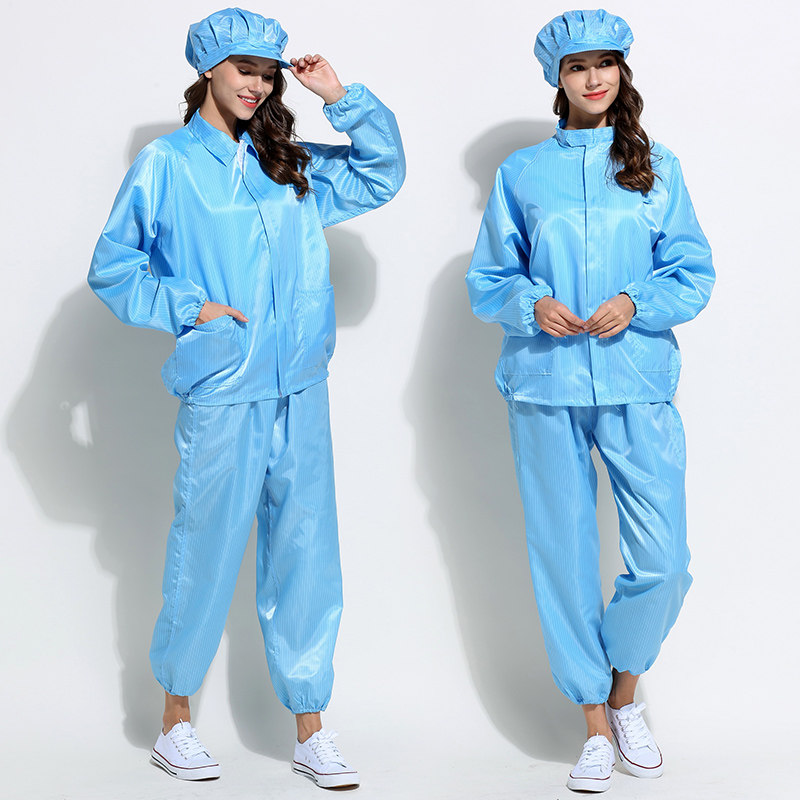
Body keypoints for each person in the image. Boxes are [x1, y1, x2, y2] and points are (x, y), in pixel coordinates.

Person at [88, 7, 404, 788]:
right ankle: (175, 723)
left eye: (268, 74)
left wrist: (341, 98)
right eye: (244, 71)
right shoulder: (166, 165)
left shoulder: (289, 162)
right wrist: (188, 308)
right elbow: (114, 266)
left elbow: (381, 173)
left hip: (301, 387)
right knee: (205, 549)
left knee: (307, 555)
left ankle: (311, 731)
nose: (257, 85)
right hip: (223, 387)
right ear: (208, 71)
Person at [466, 8, 713, 794]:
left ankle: (623, 690)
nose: (594, 77)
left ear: (622, 71)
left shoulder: (658, 166)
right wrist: (529, 303)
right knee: (563, 555)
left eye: (605, 63)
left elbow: (693, 270)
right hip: (545, 384)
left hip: (637, 380)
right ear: (558, 78)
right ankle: (595, 725)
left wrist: (637, 302)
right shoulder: (522, 173)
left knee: (665, 562)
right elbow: (489, 277)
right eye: (578, 66)